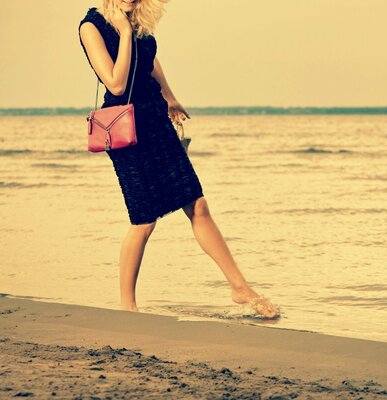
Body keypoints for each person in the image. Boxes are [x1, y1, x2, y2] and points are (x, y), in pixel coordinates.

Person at [78, 0, 279, 319]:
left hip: (156, 120)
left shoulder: (138, 19)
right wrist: (125, 33)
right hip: (125, 129)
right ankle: (127, 307)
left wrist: (170, 97)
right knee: (144, 221)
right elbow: (115, 83)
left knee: (197, 204)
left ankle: (239, 287)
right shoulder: (92, 26)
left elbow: (150, 62)